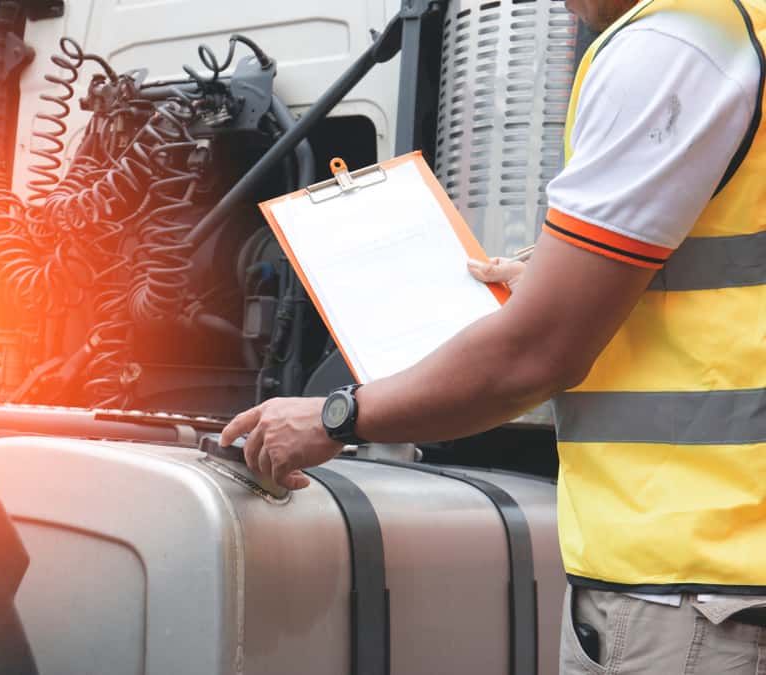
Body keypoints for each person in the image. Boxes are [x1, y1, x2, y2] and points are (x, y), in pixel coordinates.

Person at [221, 0, 766, 672]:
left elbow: (537, 354)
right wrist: (580, 274)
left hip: (694, 588)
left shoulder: (673, 45)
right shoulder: (741, 30)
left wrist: (337, 414)